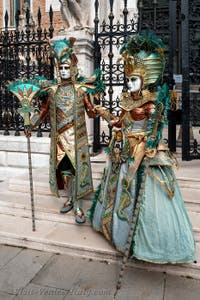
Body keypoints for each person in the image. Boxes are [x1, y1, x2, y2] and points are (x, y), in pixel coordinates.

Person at [88, 32, 196, 263]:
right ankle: (115, 232)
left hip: (141, 153)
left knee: (141, 194)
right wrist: (102, 111)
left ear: (145, 78)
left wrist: (145, 150)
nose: (129, 83)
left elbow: (153, 132)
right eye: (129, 79)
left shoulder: (152, 103)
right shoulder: (128, 100)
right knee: (117, 190)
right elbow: (119, 122)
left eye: (134, 79)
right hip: (122, 151)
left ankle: (146, 243)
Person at [27, 38, 104, 224]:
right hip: (60, 139)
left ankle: (77, 206)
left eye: (66, 67)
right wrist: (31, 124)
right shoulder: (52, 91)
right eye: (60, 68)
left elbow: (91, 113)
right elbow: (43, 112)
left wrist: (97, 108)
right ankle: (70, 198)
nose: (63, 71)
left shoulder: (81, 89)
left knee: (77, 170)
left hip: (77, 139)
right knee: (65, 171)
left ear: (73, 68)